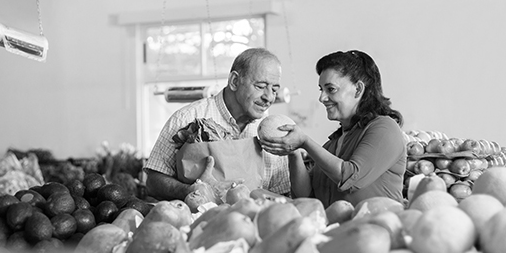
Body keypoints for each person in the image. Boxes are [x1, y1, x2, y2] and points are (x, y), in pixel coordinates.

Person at [260, 50, 406, 208]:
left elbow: (349, 177)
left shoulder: (384, 128)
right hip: (338, 231)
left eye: (331, 89)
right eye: (321, 90)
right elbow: (306, 197)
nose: (322, 98)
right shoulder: (332, 145)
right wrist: (294, 152)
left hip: (379, 228)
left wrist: (305, 142)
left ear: (358, 89)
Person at [144, 47, 291, 201]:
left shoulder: (274, 130)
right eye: (260, 87)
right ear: (234, 81)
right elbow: (153, 183)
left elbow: (282, 192)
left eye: (274, 90)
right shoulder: (186, 118)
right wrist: (191, 190)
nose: (269, 97)